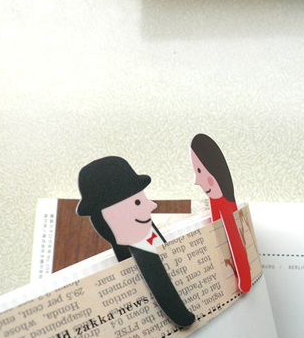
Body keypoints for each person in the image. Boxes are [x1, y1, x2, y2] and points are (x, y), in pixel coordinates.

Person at [76, 156, 195, 327]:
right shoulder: (142, 246)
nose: (152, 205)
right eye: (138, 202)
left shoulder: (147, 241)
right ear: (111, 216)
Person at [190, 134, 252, 293]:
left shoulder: (227, 207)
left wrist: (244, 280)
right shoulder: (215, 203)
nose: (196, 180)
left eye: (199, 171)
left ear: (213, 173)